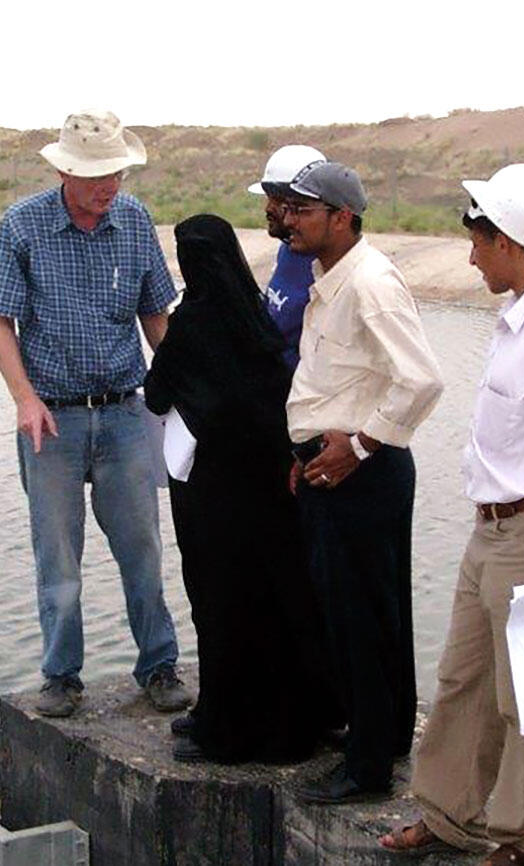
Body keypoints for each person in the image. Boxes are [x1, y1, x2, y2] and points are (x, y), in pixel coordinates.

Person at [380, 164, 524, 866]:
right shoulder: (522, 316)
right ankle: (451, 815)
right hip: (493, 528)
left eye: (479, 240)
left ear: (509, 241)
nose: (471, 254)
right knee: (463, 681)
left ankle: (522, 841)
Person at [0, 108, 190, 719]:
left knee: (143, 551)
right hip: (54, 418)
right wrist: (25, 398)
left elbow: (157, 314)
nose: (110, 188)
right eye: (98, 176)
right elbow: (0, 320)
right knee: (59, 560)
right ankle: (61, 677)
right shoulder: (22, 226)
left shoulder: (133, 220)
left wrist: (185, 387)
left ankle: (158, 666)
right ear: (65, 172)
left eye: (117, 175)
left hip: (125, 412)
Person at [279, 161, 445, 804]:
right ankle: (384, 741)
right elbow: (333, 384)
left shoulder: (370, 283)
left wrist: (363, 443)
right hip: (336, 466)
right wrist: (308, 451)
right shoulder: (333, 278)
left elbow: (422, 378)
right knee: (367, 613)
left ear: (343, 218)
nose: (289, 221)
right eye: (288, 209)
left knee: (360, 620)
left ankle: (367, 767)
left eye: (303, 211)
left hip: (362, 474)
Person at [143, 214, 335, 764]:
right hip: (269, 492)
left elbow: (157, 396)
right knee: (275, 602)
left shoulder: (191, 325)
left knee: (220, 605)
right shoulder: (257, 319)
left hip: (211, 494)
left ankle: (228, 728)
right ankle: (292, 719)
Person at [248, 144, 325, 368]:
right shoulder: (288, 250)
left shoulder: (327, 266)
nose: (268, 208)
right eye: (268, 198)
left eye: (278, 201)